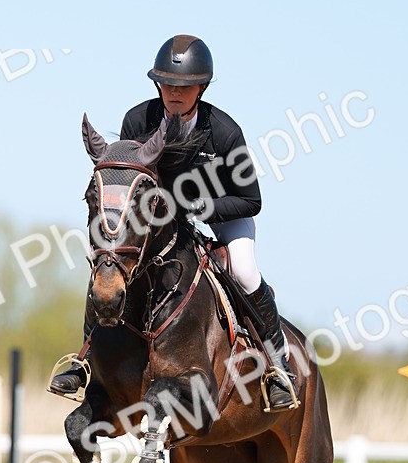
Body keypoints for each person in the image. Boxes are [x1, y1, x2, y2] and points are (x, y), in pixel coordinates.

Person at [49, 34, 297, 410]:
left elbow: (251, 200)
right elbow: (124, 182)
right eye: (167, 84)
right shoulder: (138, 120)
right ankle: (84, 363)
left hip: (222, 214)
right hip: (159, 221)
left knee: (245, 271)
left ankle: (278, 368)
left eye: (184, 86)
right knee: (110, 264)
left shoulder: (224, 132)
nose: (174, 92)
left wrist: (196, 206)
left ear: (202, 88)